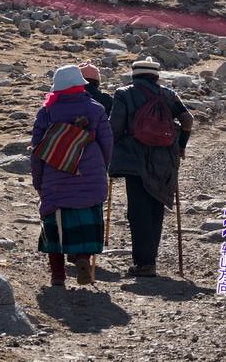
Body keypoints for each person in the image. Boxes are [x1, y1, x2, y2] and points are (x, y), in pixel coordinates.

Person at [108, 57, 194, 277]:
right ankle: (150, 259)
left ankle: (144, 264)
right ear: (156, 76)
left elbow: (114, 128)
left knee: (138, 211)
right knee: (156, 207)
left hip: (134, 160)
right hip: (165, 159)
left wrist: (107, 151)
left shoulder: (124, 93)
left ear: (134, 75)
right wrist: (181, 145)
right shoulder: (168, 94)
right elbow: (187, 120)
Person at [31, 65, 113, 286]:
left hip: (54, 177)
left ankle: (57, 275)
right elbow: (107, 144)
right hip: (91, 175)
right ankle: (83, 259)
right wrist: (100, 170)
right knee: (86, 220)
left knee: (55, 225)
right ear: (81, 84)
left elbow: (37, 151)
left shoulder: (47, 113)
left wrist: (38, 181)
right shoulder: (96, 109)